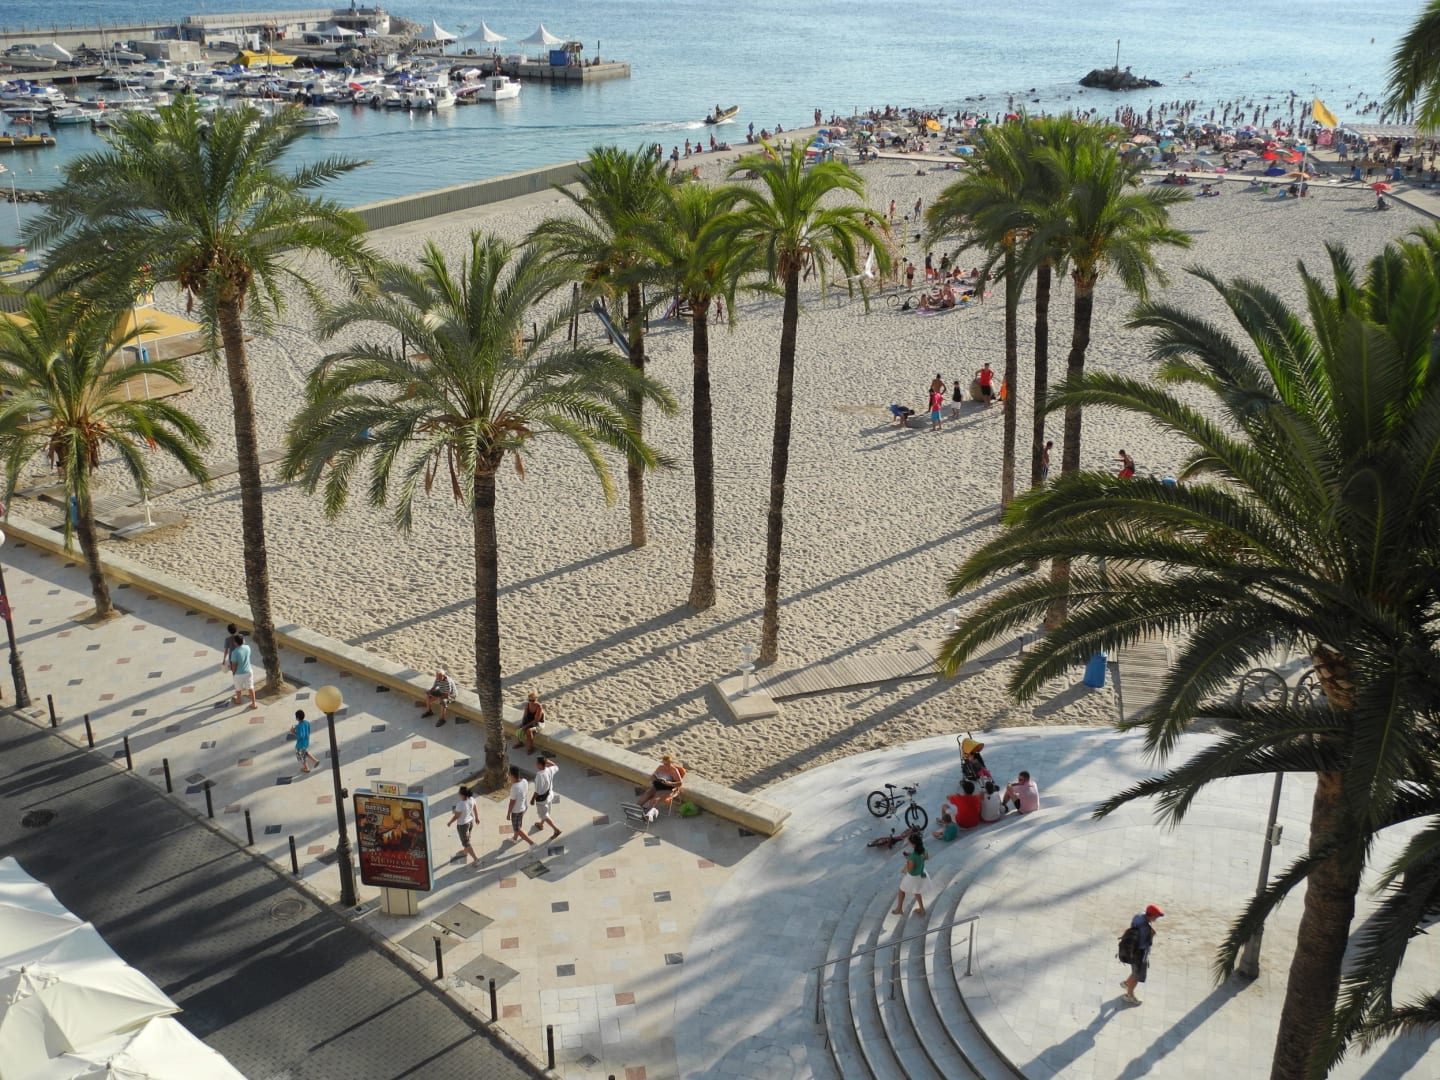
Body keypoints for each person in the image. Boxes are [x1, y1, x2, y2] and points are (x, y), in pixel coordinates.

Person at [1121, 903, 1164, 1004]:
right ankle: (1129, 995)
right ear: (1151, 915)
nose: (1156, 918)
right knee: (1137, 976)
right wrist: (1151, 935)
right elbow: (1143, 945)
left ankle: (1126, 983)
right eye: (1156, 916)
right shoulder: (1145, 927)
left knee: (1135, 971)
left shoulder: (1139, 916)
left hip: (1131, 951)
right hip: (1139, 955)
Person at [892, 834, 927, 916]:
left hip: (912, 876)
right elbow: (926, 857)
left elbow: (910, 869)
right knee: (916, 891)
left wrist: (908, 861)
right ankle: (922, 909)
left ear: (913, 844)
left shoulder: (913, 857)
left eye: (910, 843)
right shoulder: (923, 850)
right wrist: (912, 856)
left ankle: (899, 909)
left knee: (901, 890)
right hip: (920, 873)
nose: (909, 844)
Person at [446, 784, 479, 865]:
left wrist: (450, 822)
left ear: (462, 795)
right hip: (470, 822)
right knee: (467, 839)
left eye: (459, 792)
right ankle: (465, 852)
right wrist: (477, 818)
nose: (458, 793)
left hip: (463, 825)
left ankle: (476, 859)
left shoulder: (460, 804)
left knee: (466, 842)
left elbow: (457, 816)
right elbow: (475, 808)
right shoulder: (472, 799)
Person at [532, 755, 562, 839]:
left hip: (542, 799)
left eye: (537, 763)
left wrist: (532, 799)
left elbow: (537, 791)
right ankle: (541, 824)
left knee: (544, 815)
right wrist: (548, 761)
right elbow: (556, 766)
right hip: (550, 795)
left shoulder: (539, 775)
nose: (535, 764)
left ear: (540, 765)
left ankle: (556, 830)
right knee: (545, 812)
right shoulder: (550, 770)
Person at [505, 765, 535, 846]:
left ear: (512, 776)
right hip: (524, 807)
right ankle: (514, 839)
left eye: (509, 774)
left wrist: (508, 814)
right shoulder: (524, 781)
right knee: (518, 826)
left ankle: (532, 844)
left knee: (517, 829)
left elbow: (512, 803)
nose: (508, 776)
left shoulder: (514, 787)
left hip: (517, 811)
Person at [229, 634, 256, 710]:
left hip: (239, 674)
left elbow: (234, 665)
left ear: (235, 642)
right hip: (248, 671)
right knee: (250, 687)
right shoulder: (247, 647)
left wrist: (233, 673)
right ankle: (254, 703)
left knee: (238, 688)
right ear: (243, 640)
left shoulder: (234, 652)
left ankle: (238, 700)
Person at [290, 709, 319, 773]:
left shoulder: (299, 727)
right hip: (306, 742)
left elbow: (300, 736)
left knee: (301, 756)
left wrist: (293, 732)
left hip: (300, 745)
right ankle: (315, 761)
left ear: (297, 718)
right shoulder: (306, 722)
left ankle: (307, 768)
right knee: (305, 753)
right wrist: (296, 727)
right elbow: (308, 731)